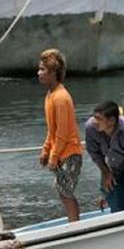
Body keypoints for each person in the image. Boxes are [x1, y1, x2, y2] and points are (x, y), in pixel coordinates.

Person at [37, 49, 84, 222]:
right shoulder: (50, 96)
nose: (39, 73)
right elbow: (52, 129)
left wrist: (54, 156)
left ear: (53, 73)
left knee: (66, 189)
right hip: (60, 152)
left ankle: (75, 223)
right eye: (39, 69)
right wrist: (45, 150)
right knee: (62, 188)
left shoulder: (61, 98)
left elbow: (63, 132)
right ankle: (73, 221)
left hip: (70, 153)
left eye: (43, 70)